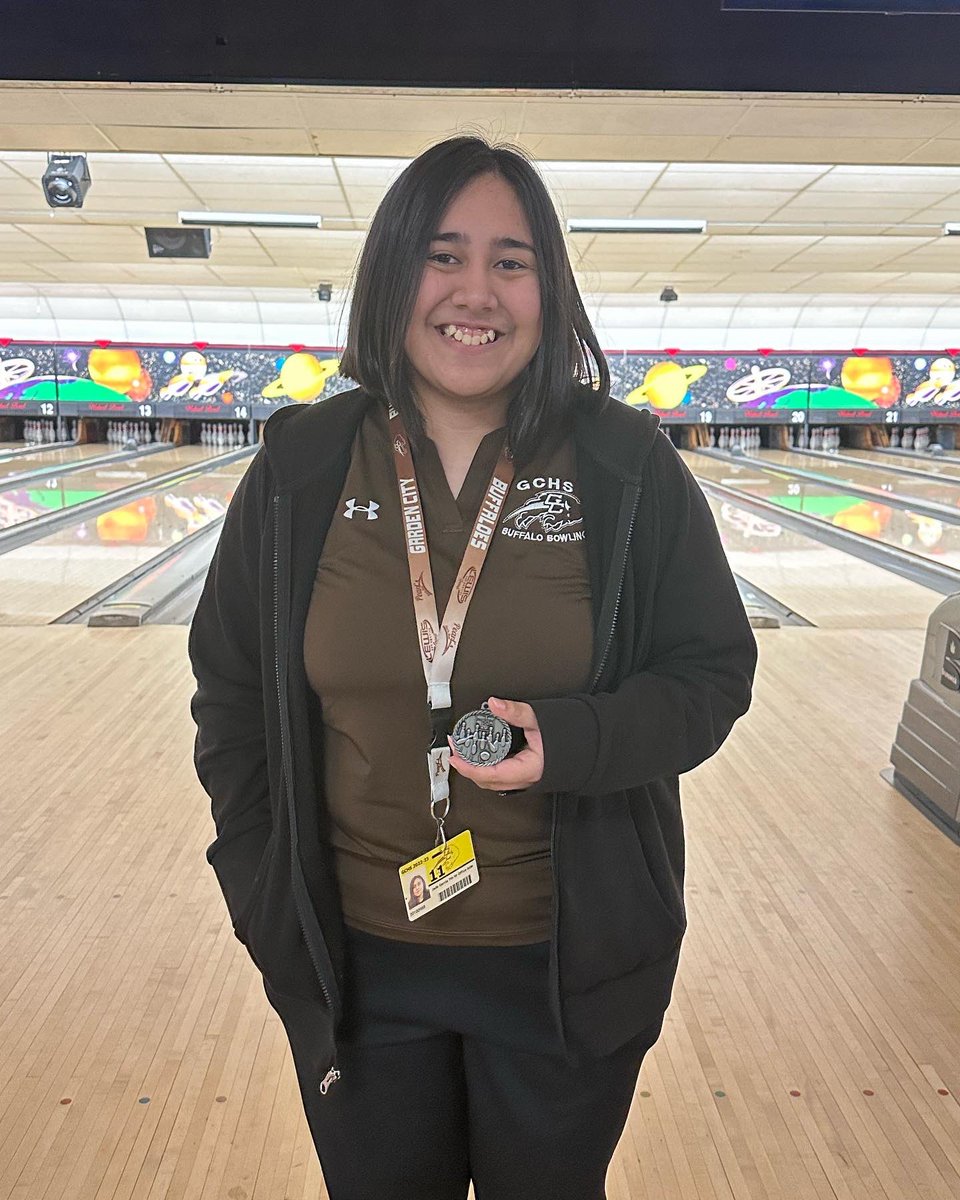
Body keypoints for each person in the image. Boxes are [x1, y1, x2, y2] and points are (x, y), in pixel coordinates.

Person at [189, 135, 757, 1200]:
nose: (475, 292)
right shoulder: (302, 469)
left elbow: (713, 674)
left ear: (551, 288)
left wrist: (576, 742)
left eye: (513, 260)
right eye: (443, 256)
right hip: (358, 960)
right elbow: (229, 694)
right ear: (393, 275)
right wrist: (260, 886)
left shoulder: (625, 466)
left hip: (564, 966)